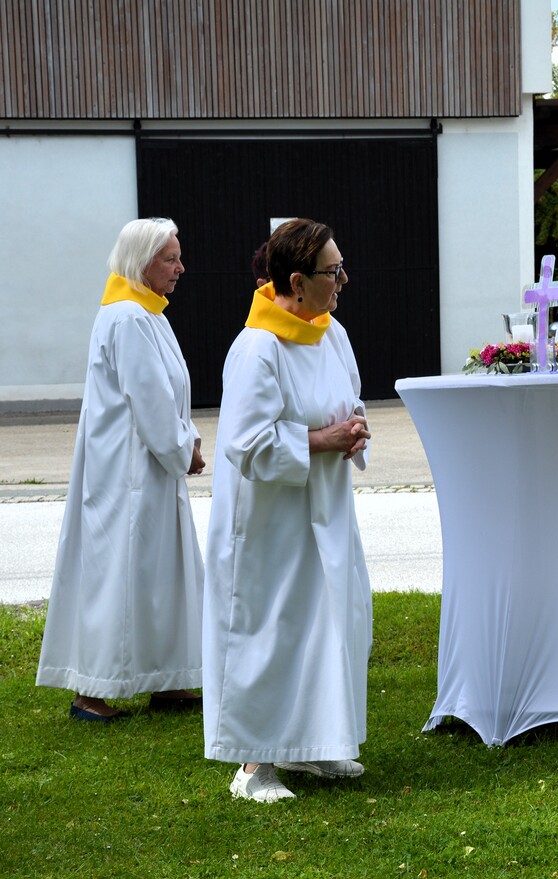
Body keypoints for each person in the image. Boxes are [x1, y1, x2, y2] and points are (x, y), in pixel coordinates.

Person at [203, 218, 373, 803]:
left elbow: (350, 397)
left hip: (326, 506)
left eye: (342, 267)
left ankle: (315, 742)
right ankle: (253, 764)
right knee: (271, 628)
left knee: (331, 620)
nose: (343, 280)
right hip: (269, 520)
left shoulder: (331, 333)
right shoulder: (257, 348)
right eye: (333, 272)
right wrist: (323, 440)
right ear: (296, 282)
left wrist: (354, 430)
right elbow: (246, 443)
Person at [36, 218, 205, 721]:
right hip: (129, 472)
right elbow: (149, 400)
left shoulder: (145, 312)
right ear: (142, 262)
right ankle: (91, 690)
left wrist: (187, 438)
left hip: (146, 468)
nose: (180, 267)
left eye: (178, 257)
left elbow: (169, 390)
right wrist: (185, 448)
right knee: (119, 574)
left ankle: (166, 677)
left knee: (157, 573)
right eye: (170, 258)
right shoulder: (130, 317)